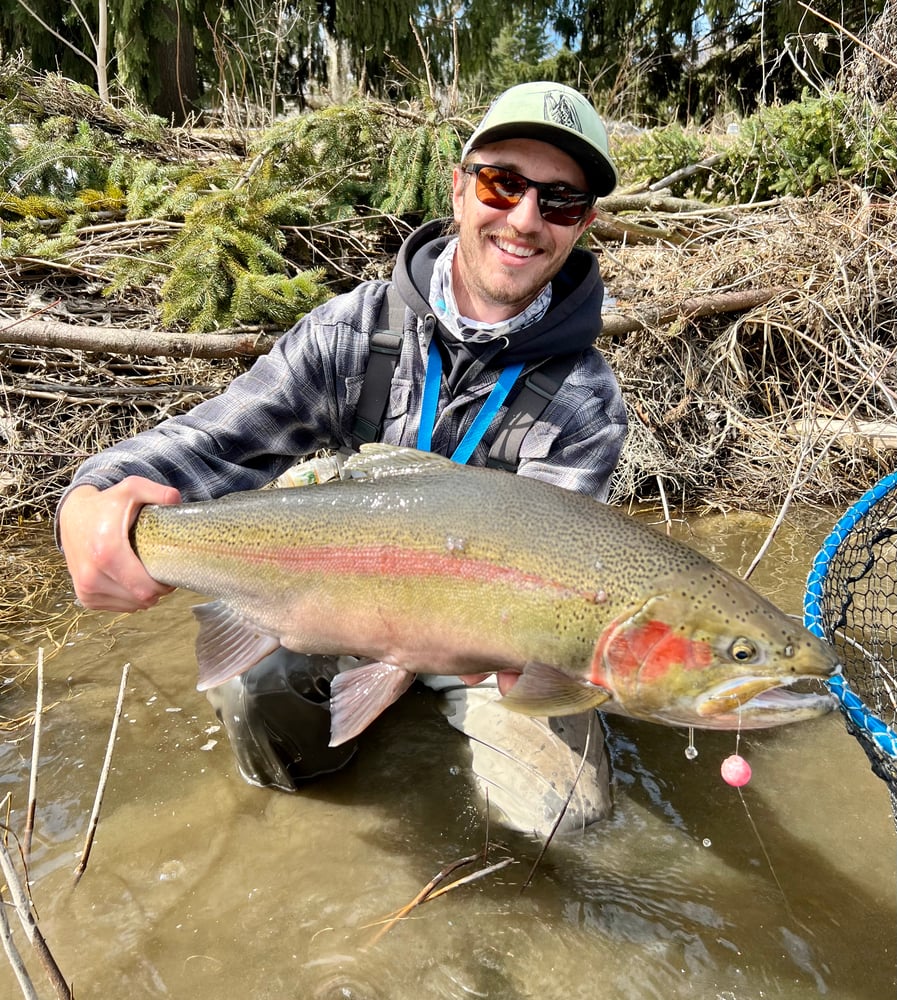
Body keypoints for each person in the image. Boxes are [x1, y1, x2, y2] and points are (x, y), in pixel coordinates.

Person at [56, 81, 628, 836]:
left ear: (580, 224)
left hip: (487, 652)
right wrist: (90, 500)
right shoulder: (352, 332)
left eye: (558, 201)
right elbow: (212, 444)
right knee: (253, 698)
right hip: (334, 604)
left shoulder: (584, 399)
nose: (524, 219)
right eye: (503, 183)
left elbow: (556, 596)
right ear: (458, 189)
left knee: (566, 819)